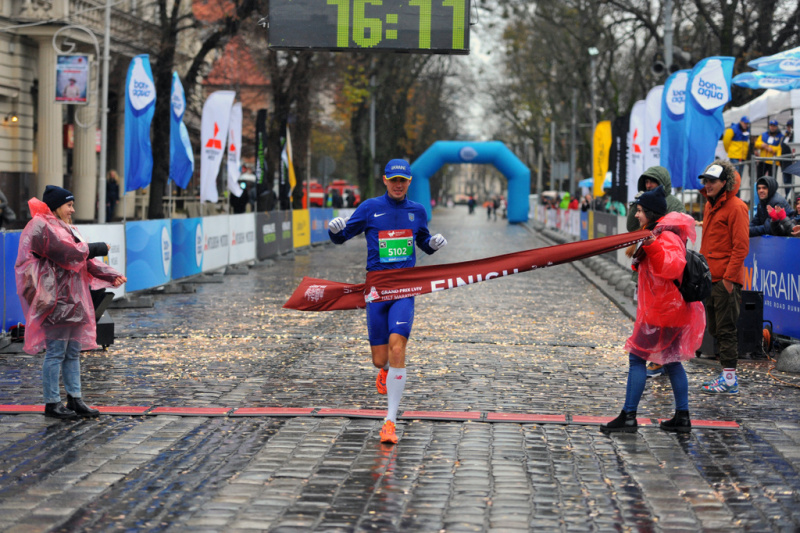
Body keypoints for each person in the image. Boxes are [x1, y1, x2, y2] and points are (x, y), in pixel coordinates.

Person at [327, 159, 447, 445]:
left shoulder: (417, 211)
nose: (398, 184)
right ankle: (384, 371)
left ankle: (390, 421)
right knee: (380, 359)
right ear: (385, 180)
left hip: (404, 288)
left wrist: (433, 244)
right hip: (377, 290)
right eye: (393, 179)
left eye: (402, 180)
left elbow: (424, 244)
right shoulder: (369, 208)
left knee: (398, 347)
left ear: (409, 182)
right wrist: (334, 230)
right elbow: (342, 237)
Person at [15, 185, 127, 419]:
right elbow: (69, 252)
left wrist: (109, 274)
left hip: (73, 299)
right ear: (56, 206)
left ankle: (74, 399)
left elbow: (82, 260)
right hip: (54, 299)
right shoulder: (41, 226)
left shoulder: (64, 227)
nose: (73, 210)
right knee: (56, 352)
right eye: (69, 205)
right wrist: (97, 248)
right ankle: (52, 402)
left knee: (72, 352)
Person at [601, 187, 705, 434]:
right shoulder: (657, 233)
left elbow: (672, 267)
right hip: (667, 312)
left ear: (650, 212)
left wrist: (652, 245)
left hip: (662, 314)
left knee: (637, 358)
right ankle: (682, 416)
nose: (636, 215)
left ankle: (628, 416)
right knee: (671, 362)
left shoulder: (665, 236)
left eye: (639, 211)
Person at [698, 161, 749, 394]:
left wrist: (729, 279)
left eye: (712, 181)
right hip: (711, 278)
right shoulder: (710, 206)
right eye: (705, 180)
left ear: (724, 183)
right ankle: (726, 376)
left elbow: (741, 247)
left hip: (725, 281)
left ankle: (730, 380)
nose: (707, 185)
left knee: (726, 330)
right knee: (716, 330)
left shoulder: (737, 207)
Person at [626, 166, 685, 233]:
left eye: (652, 182)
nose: (648, 185)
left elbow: (679, 230)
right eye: (646, 182)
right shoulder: (645, 201)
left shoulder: (675, 204)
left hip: (664, 242)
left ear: (662, 183)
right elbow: (631, 227)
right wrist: (638, 202)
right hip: (647, 241)